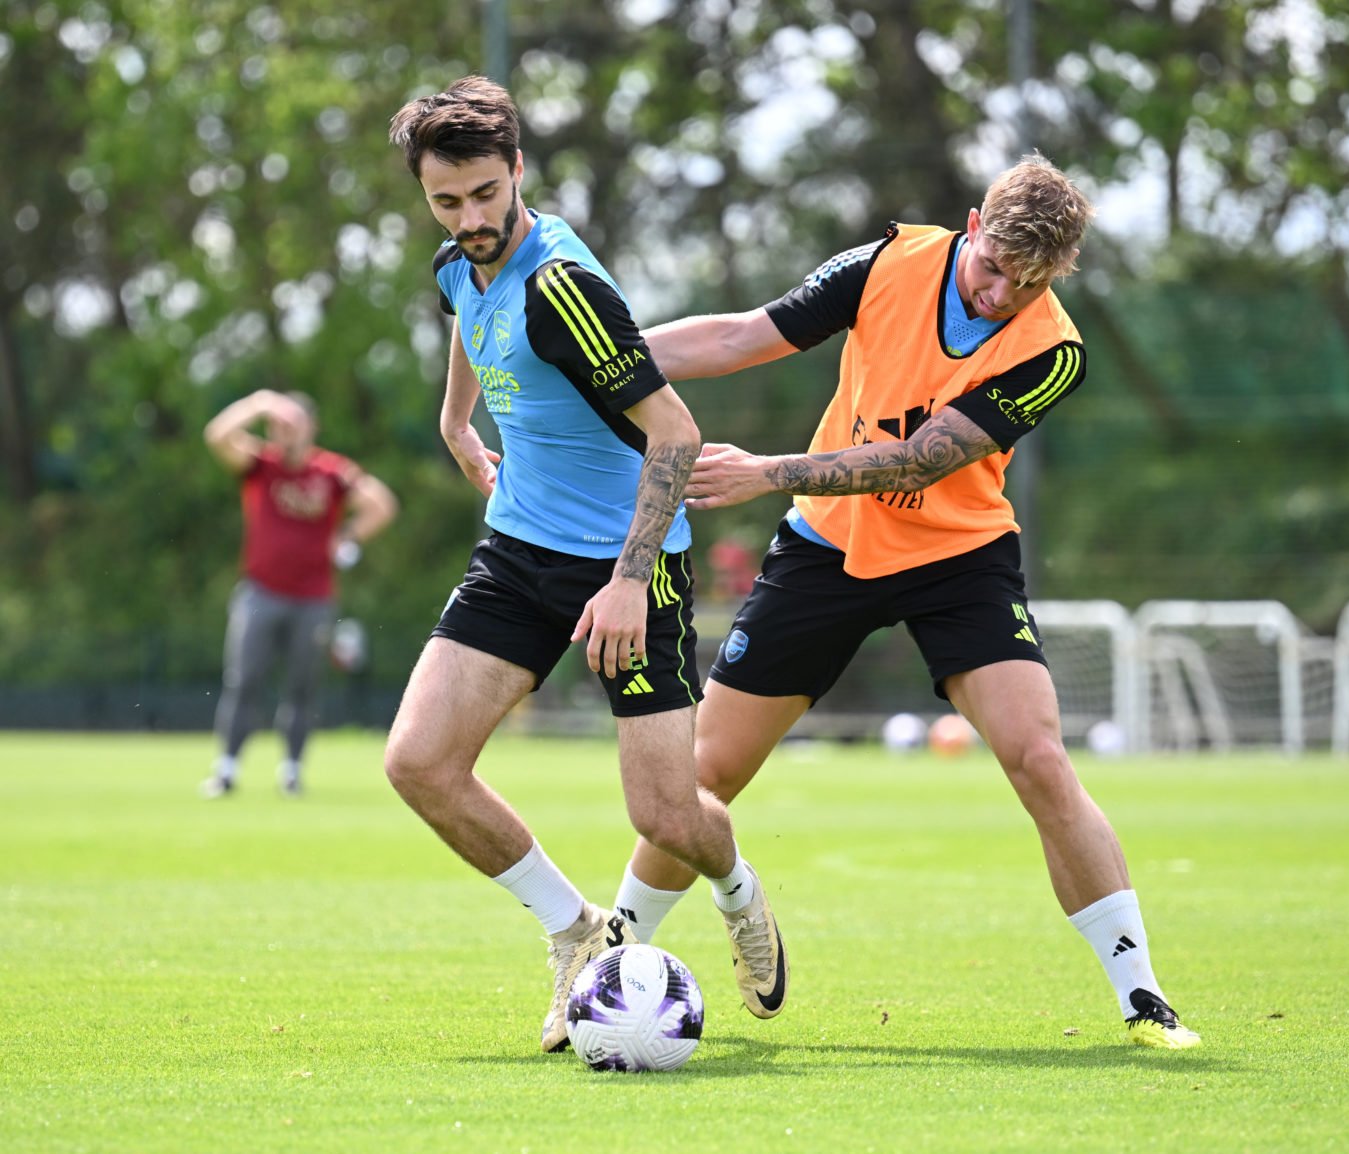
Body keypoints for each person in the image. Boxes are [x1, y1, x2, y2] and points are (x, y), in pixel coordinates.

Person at [613, 154, 1201, 1049]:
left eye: (1029, 280)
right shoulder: (885, 265)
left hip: (958, 558)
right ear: (972, 226)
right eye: (994, 265)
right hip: (827, 548)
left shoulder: (1056, 351)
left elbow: (926, 458)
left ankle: (1142, 996)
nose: (1004, 291)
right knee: (703, 779)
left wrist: (765, 472)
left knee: (1039, 758)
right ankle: (608, 961)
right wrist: (601, 363)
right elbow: (740, 336)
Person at [383, 76, 787, 1055]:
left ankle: (740, 897)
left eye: (487, 194)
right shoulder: (455, 263)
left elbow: (678, 436)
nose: (472, 218)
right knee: (419, 762)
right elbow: (465, 318)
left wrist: (625, 579)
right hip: (518, 549)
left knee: (668, 815)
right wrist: (454, 423)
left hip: (627, 567)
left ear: (518, 170)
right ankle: (575, 931)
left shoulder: (565, 291)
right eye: (449, 200)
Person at [202, 389, 397, 798]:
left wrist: (348, 537)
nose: (283, 432)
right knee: (244, 679)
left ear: (311, 427)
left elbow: (381, 503)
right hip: (260, 592)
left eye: (292, 424)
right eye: (278, 425)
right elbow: (216, 436)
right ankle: (227, 769)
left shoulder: (331, 472)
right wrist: (258, 404)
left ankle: (291, 771)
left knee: (302, 685)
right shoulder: (261, 465)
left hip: (313, 597)